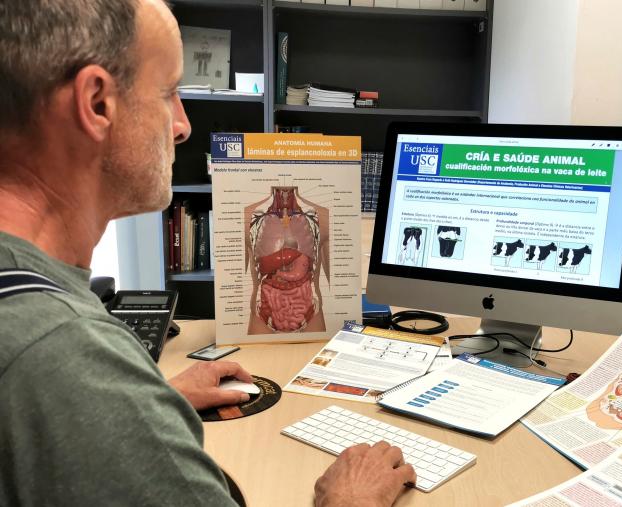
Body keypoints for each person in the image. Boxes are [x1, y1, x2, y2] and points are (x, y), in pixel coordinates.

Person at [0, 1, 415, 505]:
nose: (182, 126)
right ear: (97, 103)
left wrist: (145, 407)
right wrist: (348, 500)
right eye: (169, 92)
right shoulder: (63, 355)